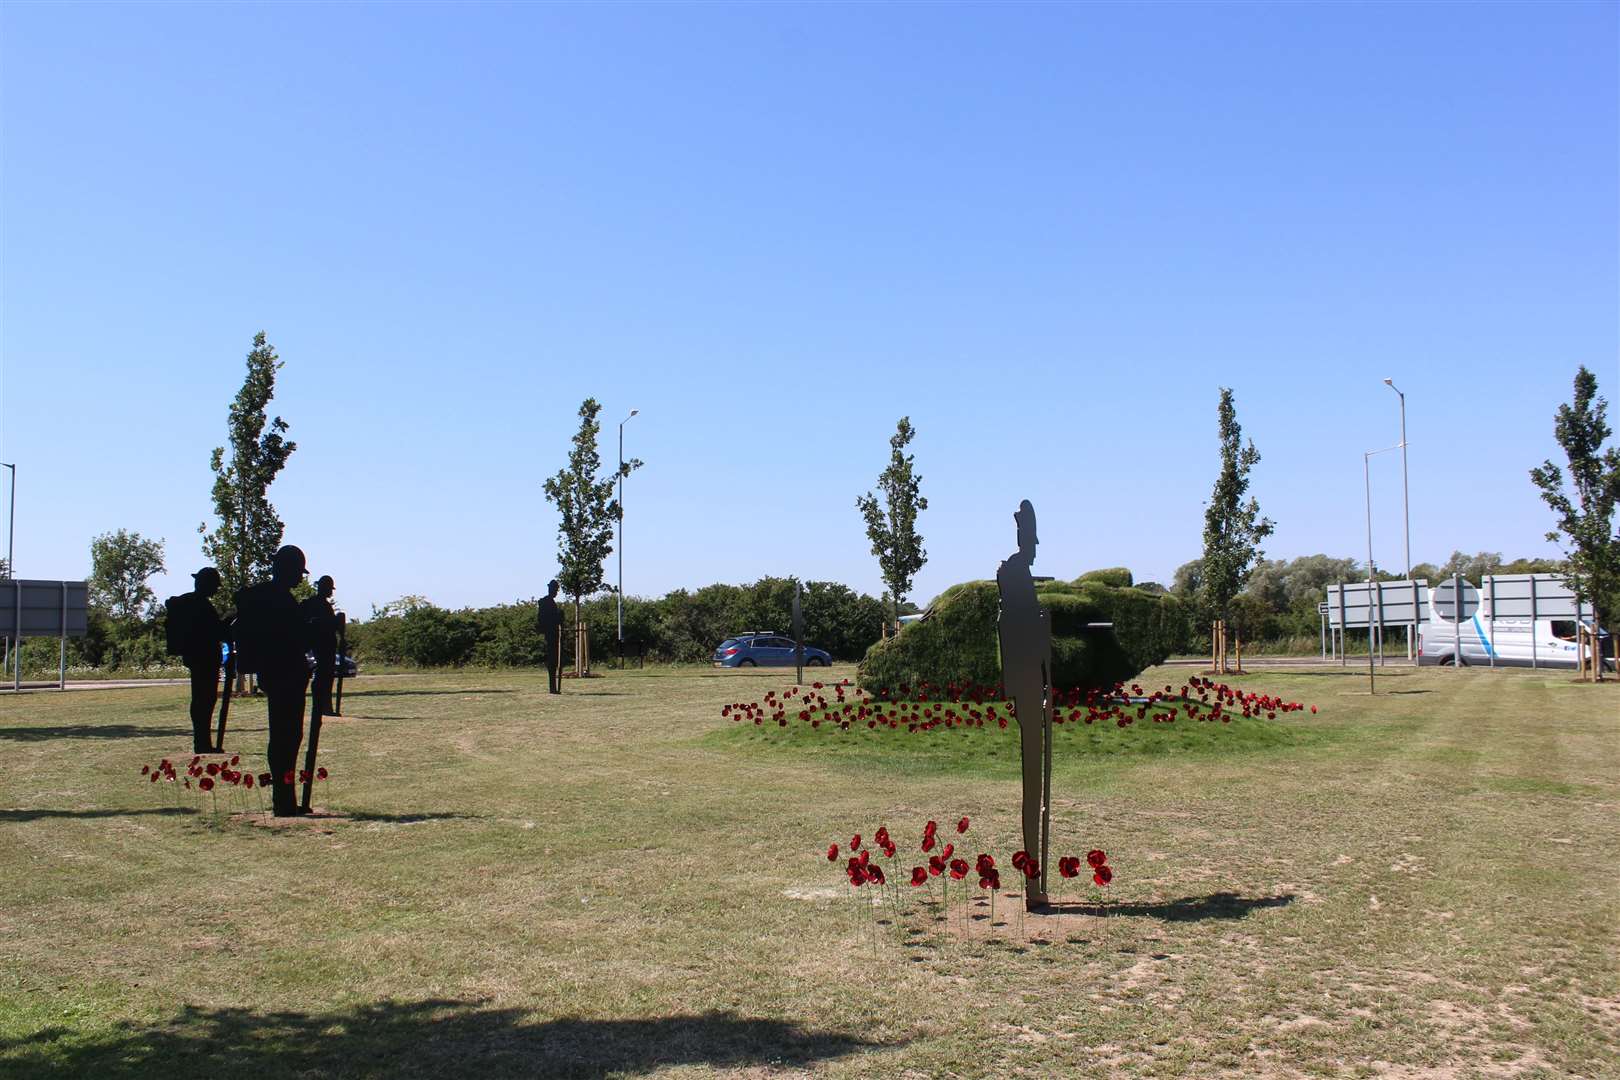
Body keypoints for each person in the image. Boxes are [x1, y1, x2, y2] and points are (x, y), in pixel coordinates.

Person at [996, 500, 1052, 908]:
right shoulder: (1014, 574)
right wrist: (1039, 627)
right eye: (1029, 538)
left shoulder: (1021, 573)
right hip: (1027, 683)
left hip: (1032, 680)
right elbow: (1014, 631)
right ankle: (1033, 882)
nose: (1033, 546)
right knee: (1032, 777)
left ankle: (1035, 883)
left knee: (1035, 776)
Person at [235, 545, 315, 816]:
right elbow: (296, 638)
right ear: (288, 570)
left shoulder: (265, 597)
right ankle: (284, 801)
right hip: (286, 673)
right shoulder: (280, 600)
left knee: (285, 737)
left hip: (276, 673)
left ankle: (285, 799)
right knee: (287, 737)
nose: (300, 579)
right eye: (298, 573)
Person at [169, 567, 228, 754]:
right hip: (204, 659)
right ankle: (202, 743)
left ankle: (202, 741)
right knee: (204, 701)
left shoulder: (190, 602)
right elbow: (214, 631)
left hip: (198, 659)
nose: (216, 589)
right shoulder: (200, 605)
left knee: (202, 701)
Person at [302, 575, 339, 718]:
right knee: (323, 676)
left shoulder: (324, 605)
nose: (331, 592)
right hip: (321, 646)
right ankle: (323, 706)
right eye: (329, 588)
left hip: (327, 646)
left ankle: (326, 706)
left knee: (327, 676)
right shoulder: (313, 604)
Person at [537, 579, 564, 694]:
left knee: (554, 660)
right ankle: (552, 688)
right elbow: (547, 620)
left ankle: (553, 687)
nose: (556, 592)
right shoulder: (546, 602)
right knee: (552, 660)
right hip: (551, 634)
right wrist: (559, 617)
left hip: (553, 634)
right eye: (555, 590)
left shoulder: (549, 602)